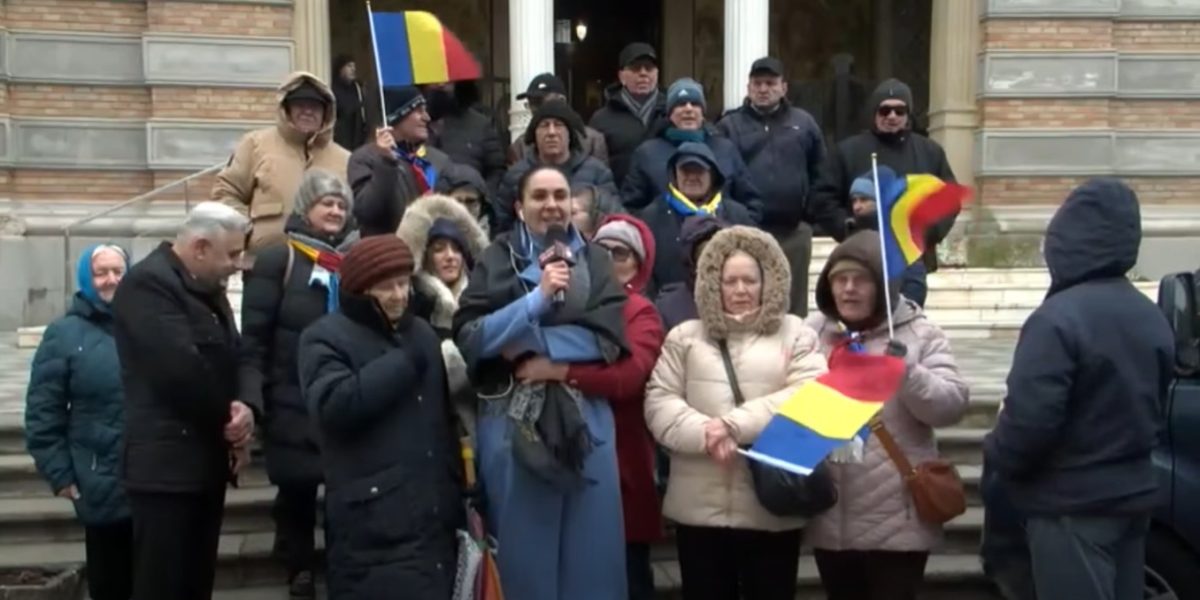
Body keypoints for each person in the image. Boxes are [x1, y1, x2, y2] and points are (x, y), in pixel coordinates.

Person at [983, 179, 1174, 600]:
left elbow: (1030, 424)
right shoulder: (1149, 314)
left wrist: (996, 451)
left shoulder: (1058, 319)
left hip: (1070, 503)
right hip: (1133, 496)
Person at [452, 165, 630, 600]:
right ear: (519, 206)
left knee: (594, 554)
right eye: (539, 196)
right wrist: (534, 302)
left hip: (584, 418)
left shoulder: (596, 259)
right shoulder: (496, 258)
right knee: (522, 554)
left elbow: (608, 338)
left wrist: (529, 343)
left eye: (560, 195)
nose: (551, 204)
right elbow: (471, 336)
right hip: (513, 420)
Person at [644, 225, 827, 600]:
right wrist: (705, 434)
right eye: (730, 281)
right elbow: (659, 400)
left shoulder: (796, 334)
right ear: (713, 284)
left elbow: (811, 394)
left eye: (750, 280)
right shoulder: (685, 337)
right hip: (699, 511)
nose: (741, 290)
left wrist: (734, 425)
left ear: (769, 281)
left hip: (771, 511)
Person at [803, 230, 969, 600]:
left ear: (883, 285)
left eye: (860, 280)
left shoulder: (920, 334)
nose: (847, 289)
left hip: (897, 518)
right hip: (831, 515)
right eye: (838, 279)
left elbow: (951, 405)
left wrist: (908, 372)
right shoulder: (811, 332)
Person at [298, 235, 464, 599]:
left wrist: (459, 486)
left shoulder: (419, 332)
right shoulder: (323, 338)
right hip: (372, 527)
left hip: (435, 517)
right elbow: (334, 407)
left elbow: (443, 420)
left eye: (403, 283)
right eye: (385, 287)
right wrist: (403, 361)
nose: (398, 295)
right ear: (359, 289)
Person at [110, 202, 258, 600]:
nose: (237, 264)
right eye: (231, 254)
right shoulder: (148, 285)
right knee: (164, 585)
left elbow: (238, 352)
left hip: (204, 467)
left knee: (196, 584)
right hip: (164, 473)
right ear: (200, 247)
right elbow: (180, 371)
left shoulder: (208, 289)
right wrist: (230, 423)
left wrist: (247, 406)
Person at [518, 214, 666, 600]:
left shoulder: (641, 312)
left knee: (628, 579)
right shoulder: (574, 301)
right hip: (567, 456)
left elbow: (627, 378)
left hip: (622, 467)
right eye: (602, 250)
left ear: (639, 263)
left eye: (622, 253)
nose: (611, 258)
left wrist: (560, 370)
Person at [238, 169, 357, 600]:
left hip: (341, 397)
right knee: (297, 492)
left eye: (342, 205)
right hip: (290, 398)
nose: (336, 211)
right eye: (327, 202)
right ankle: (300, 569)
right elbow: (254, 337)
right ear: (305, 206)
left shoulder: (350, 262)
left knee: (343, 491)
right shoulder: (279, 258)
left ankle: (341, 566)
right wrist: (253, 398)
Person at [25, 244, 133, 600]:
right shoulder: (64, 334)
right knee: (110, 581)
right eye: (101, 273)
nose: (111, 280)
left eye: (118, 271)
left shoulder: (147, 326)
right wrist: (60, 474)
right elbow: (44, 412)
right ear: (87, 278)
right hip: (98, 477)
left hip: (150, 474)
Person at [810, 78, 957, 270]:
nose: (892, 116)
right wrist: (847, 228)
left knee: (910, 301)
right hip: (862, 256)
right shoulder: (848, 151)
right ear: (874, 113)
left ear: (908, 114)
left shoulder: (930, 152)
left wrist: (928, 232)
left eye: (900, 110)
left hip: (914, 258)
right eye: (885, 110)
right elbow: (822, 198)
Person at [718, 57, 825, 317]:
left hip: (793, 232)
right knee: (748, 298)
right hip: (746, 232)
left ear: (783, 87)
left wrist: (809, 213)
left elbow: (820, 172)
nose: (763, 89)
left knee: (793, 304)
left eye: (770, 83)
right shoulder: (729, 126)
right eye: (757, 83)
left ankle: (793, 352)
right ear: (748, 87)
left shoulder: (804, 123)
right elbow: (722, 178)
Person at [213, 72, 350, 250]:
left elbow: (354, 215)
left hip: (326, 265)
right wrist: (247, 232)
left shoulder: (345, 158)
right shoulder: (255, 145)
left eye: (315, 106)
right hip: (261, 262)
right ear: (286, 109)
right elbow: (226, 194)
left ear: (326, 113)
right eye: (300, 105)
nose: (308, 111)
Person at [396, 193, 489, 438]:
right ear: (425, 256)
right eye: (439, 249)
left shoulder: (480, 298)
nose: (450, 256)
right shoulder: (414, 303)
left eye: (456, 249)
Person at [620, 77, 763, 222]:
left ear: (703, 113)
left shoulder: (726, 149)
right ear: (670, 113)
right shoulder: (646, 153)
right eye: (681, 104)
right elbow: (630, 207)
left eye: (695, 104)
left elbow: (750, 202)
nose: (688, 109)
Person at [638, 142, 754, 297]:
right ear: (675, 174)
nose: (692, 177)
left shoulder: (737, 214)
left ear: (713, 175)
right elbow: (644, 272)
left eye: (699, 171)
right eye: (685, 171)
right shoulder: (651, 216)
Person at [496, 100, 618, 233]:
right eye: (544, 125)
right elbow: (502, 224)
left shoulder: (597, 173)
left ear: (570, 134)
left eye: (559, 125)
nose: (551, 132)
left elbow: (613, 218)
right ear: (534, 135)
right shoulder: (516, 175)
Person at [349, 85, 454, 237]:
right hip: (389, 252)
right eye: (418, 111)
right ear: (397, 116)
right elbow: (367, 212)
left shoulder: (438, 160)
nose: (427, 117)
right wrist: (385, 163)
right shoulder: (365, 158)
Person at [843, 173, 928, 306]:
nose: (857, 206)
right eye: (854, 200)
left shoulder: (900, 237)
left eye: (864, 199)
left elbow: (915, 284)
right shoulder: (851, 237)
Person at [589, 43, 666, 185]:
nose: (643, 73)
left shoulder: (672, 113)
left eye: (649, 68)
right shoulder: (601, 119)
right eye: (636, 68)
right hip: (618, 201)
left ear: (657, 74)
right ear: (621, 76)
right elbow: (593, 170)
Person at [509, 73, 609, 165]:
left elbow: (601, 180)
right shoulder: (520, 146)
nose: (534, 109)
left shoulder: (593, 141)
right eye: (531, 104)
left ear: (562, 100)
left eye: (539, 102)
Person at [426, 81, 507, 193]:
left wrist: (483, 198)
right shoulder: (414, 124)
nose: (441, 84)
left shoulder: (480, 124)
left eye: (447, 79)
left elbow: (496, 170)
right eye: (434, 78)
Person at [434, 162, 495, 239]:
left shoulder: (495, 241)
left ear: (482, 206)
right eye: (457, 201)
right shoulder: (427, 238)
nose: (464, 208)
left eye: (470, 201)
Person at [331, 55, 368, 150]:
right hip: (341, 140)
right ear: (340, 69)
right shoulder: (333, 89)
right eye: (349, 66)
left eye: (354, 67)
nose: (353, 69)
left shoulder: (357, 88)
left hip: (358, 139)